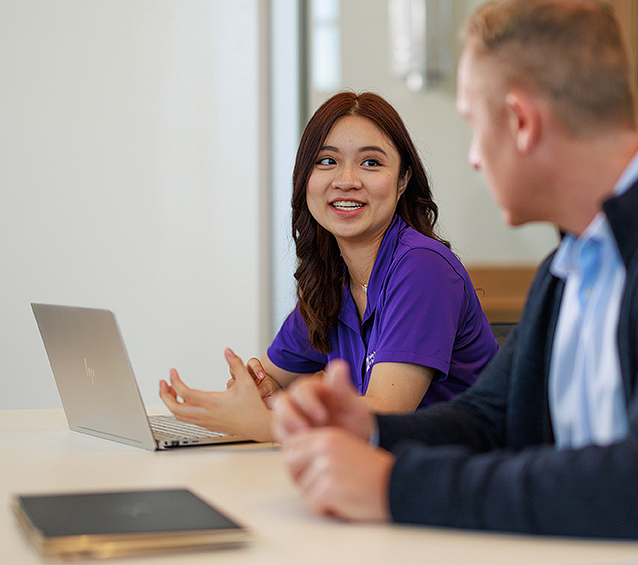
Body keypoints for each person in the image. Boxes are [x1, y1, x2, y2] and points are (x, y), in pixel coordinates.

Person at [273, 0, 638, 564]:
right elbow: (490, 420)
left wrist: (391, 487)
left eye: (473, 125)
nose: (475, 157)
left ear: (520, 122)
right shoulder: (574, 260)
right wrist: (372, 431)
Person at [159, 92, 496, 442]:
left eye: (371, 163)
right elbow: (271, 377)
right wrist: (260, 391)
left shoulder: (423, 268)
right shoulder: (332, 278)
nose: (346, 180)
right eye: (326, 161)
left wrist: (265, 424)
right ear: (305, 178)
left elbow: (385, 417)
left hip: (456, 482)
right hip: (379, 477)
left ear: (402, 181)